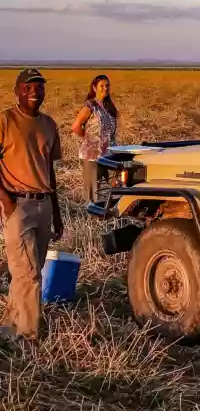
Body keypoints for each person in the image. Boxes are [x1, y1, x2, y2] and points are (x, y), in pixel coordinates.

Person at [0, 67, 63, 342]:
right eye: (28, 87)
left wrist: (57, 213)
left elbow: (49, 170)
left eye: (39, 87)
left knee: (28, 271)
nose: (34, 92)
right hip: (17, 204)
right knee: (28, 274)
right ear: (17, 91)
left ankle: (9, 328)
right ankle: (29, 337)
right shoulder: (5, 120)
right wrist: (7, 202)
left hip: (43, 205)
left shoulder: (49, 125)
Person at [71, 74, 118, 204]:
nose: (105, 88)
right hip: (92, 154)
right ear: (94, 88)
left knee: (114, 185)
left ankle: (109, 212)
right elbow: (75, 127)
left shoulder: (109, 107)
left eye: (107, 85)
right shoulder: (90, 105)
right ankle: (93, 217)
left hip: (109, 154)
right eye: (101, 86)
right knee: (93, 191)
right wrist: (88, 139)